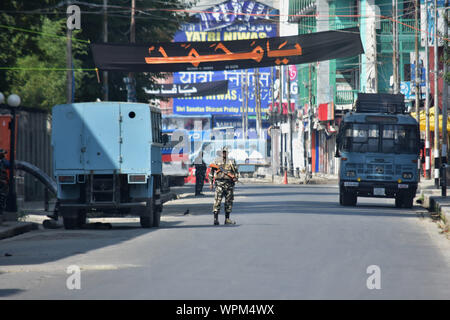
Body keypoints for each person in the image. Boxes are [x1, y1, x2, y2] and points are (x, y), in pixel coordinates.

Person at [209, 147, 239, 225]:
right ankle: (216, 219)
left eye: (225, 152)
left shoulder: (232, 161)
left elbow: (236, 172)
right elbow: (211, 173)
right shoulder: (216, 161)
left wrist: (235, 178)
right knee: (217, 201)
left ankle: (227, 219)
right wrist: (211, 183)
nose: (224, 153)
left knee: (229, 202)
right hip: (219, 184)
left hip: (229, 184)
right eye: (223, 152)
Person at [0, 149, 10, 216]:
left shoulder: (3, 162)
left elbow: (9, 165)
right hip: (2, 183)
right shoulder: (2, 162)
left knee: (3, 197)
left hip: (3, 183)